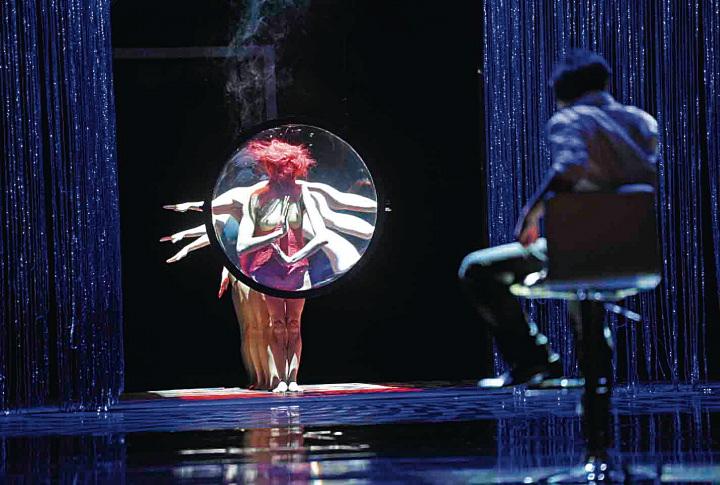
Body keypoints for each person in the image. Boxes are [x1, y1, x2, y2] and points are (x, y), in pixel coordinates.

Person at [458, 49, 659, 388]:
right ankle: (596, 369)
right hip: (637, 252)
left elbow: (570, 168)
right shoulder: (642, 121)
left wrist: (530, 213)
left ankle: (532, 360)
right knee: (583, 268)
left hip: (579, 250)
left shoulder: (571, 119)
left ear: (561, 92)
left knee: (477, 269)